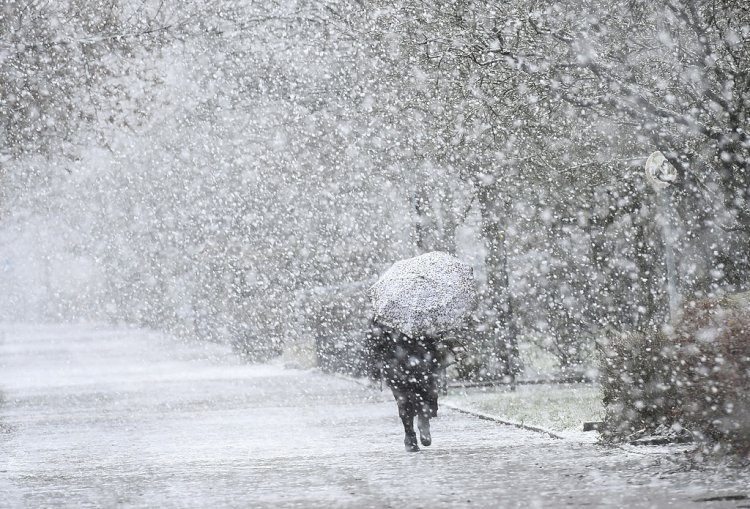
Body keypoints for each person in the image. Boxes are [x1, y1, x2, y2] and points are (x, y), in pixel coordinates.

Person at [364, 319, 447, 452]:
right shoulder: (383, 318)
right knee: (405, 401)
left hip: (417, 363)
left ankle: (421, 425)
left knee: (422, 397)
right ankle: (410, 433)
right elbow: (374, 342)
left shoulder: (386, 315)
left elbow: (374, 343)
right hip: (400, 366)